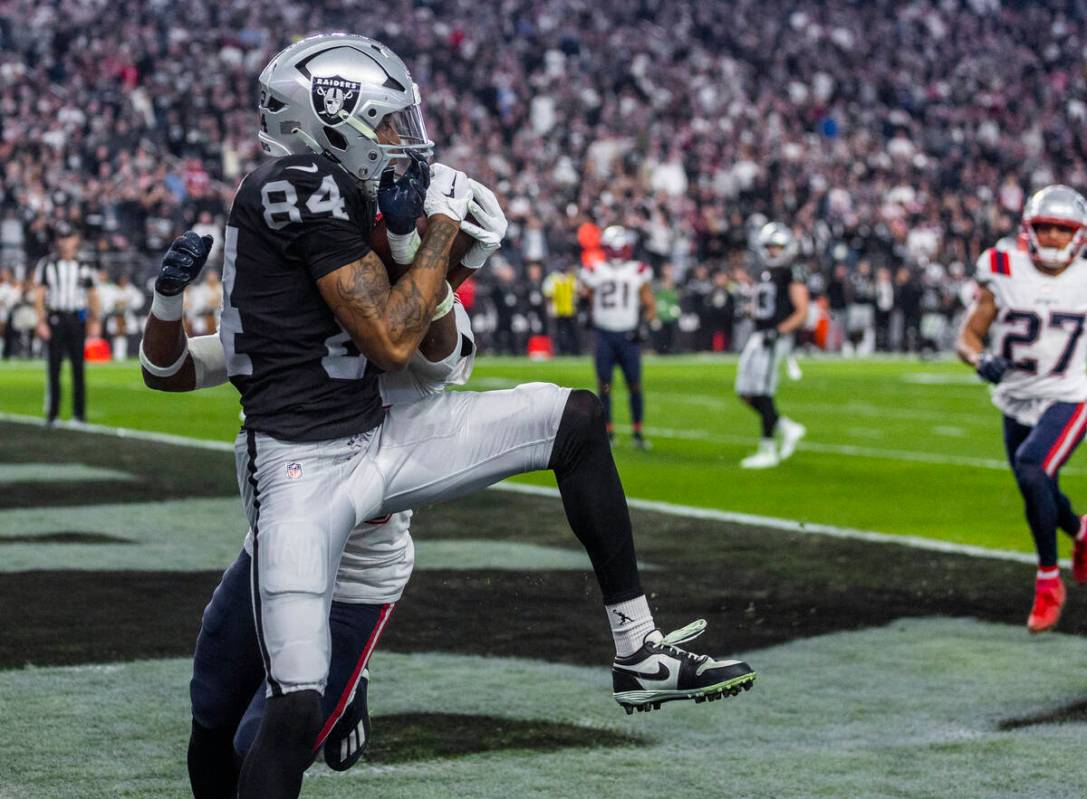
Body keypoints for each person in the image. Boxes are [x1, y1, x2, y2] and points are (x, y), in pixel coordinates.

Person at [140, 34, 754, 799]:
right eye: (388, 124)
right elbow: (228, 357)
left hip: (378, 482)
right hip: (303, 476)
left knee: (576, 419)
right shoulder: (307, 211)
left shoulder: (421, 291)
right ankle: (339, 687)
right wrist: (422, 234)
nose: (402, 147)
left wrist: (417, 247)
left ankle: (638, 648)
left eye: (470, 255)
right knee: (246, 714)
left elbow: (420, 349)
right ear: (334, 122)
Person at [956, 184, 1087, 634]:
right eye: (1044, 227)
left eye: (1061, 228)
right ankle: (1082, 531)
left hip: (1071, 394)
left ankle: (1049, 582)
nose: (1052, 236)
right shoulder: (1003, 268)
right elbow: (968, 337)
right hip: (1015, 395)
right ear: (1028, 230)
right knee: (1037, 483)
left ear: (1079, 234)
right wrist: (979, 358)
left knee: (1033, 466)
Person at [735, 222, 809, 469]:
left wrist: (778, 332)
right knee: (745, 392)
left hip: (774, 338)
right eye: (769, 246)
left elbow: (802, 311)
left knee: (764, 392)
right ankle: (787, 427)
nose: (773, 251)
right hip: (759, 335)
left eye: (777, 247)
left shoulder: (792, 271)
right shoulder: (763, 271)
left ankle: (768, 449)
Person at [580, 225, 656, 448]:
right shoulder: (595, 269)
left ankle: (637, 432)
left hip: (627, 335)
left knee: (634, 384)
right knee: (604, 385)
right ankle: (608, 431)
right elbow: (584, 298)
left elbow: (649, 303)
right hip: (605, 334)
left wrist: (643, 325)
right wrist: (585, 310)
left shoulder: (636, 270)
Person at [32, 224, 100, 424]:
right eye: (61, 238)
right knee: (54, 368)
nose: (64, 242)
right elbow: (39, 294)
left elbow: (92, 294)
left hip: (77, 320)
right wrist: (40, 321)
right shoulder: (47, 264)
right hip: (55, 318)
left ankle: (79, 415)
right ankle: (52, 414)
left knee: (79, 369)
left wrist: (95, 319)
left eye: (68, 237)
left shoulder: (84, 265)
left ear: (76, 240)